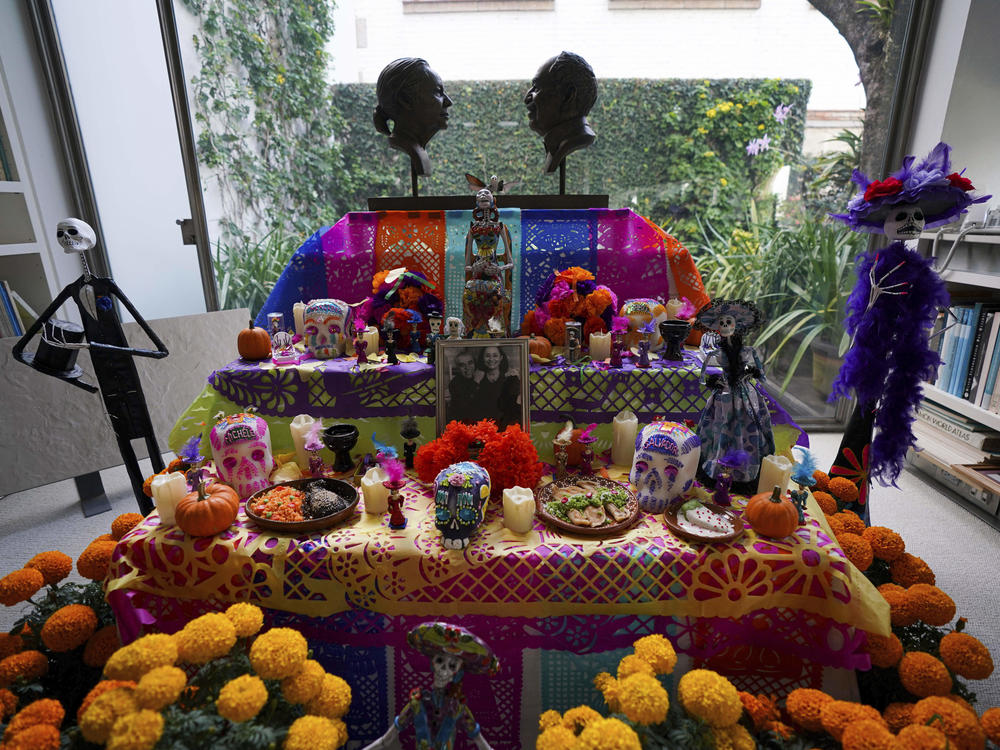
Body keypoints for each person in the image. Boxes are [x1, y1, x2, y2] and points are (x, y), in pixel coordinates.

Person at [363, 622, 498, 750]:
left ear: (457, 674)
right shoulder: (418, 701)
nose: (443, 671)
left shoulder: (457, 707)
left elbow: (482, 744)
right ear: (432, 664)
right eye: (439, 661)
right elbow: (387, 740)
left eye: (452, 666)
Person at [693, 299, 774, 493]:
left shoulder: (748, 351)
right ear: (717, 328)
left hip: (745, 396)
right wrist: (713, 382)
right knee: (719, 428)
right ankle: (718, 469)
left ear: (737, 325)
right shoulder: (715, 353)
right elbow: (703, 378)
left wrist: (752, 372)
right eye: (721, 323)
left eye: (729, 322)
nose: (725, 326)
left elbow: (761, 375)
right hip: (723, 397)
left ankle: (743, 472)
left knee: (746, 429)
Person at [373, 58, 453, 177]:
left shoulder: (420, 150)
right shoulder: (414, 151)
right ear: (406, 100)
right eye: (437, 92)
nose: (448, 102)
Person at [523, 52, 598, 173]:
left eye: (537, 88)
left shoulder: (566, 142)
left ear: (568, 96)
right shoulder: (554, 145)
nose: (526, 98)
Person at [475, 345, 521, 430]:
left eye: (495, 355)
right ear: (483, 358)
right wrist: (475, 383)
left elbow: (514, 408)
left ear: (501, 358)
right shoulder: (477, 378)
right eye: (487, 356)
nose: (491, 359)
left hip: (504, 424)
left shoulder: (510, 377)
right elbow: (473, 406)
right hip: (482, 425)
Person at [448, 352, 481, 424]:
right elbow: (464, 405)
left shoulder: (481, 378)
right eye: (462, 365)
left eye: (470, 363)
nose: (467, 368)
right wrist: (475, 382)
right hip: (463, 423)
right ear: (457, 368)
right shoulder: (454, 383)